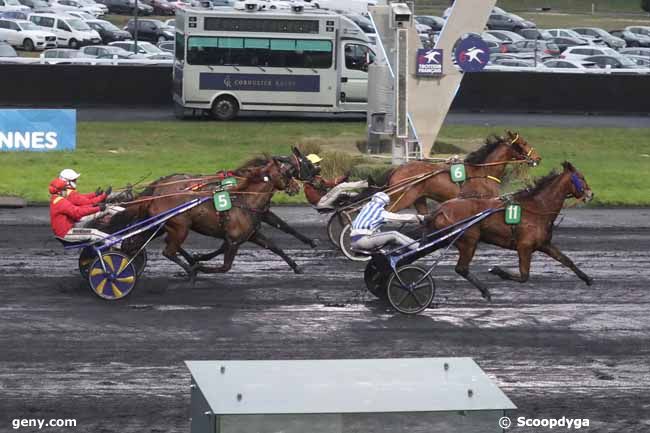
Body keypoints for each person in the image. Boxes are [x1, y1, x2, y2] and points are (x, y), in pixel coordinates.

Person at [49, 169, 120, 242]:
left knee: (94, 232)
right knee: (94, 233)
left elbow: (78, 207)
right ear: (60, 191)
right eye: (64, 189)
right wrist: (98, 207)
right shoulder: (61, 202)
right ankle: (119, 243)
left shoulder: (57, 199)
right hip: (66, 233)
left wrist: (95, 204)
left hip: (70, 227)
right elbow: (78, 212)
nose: (66, 191)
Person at [350, 192, 426, 252]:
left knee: (382, 234)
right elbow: (400, 217)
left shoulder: (365, 208)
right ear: (384, 204)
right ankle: (419, 247)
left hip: (353, 242)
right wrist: (421, 218)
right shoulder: (380, 212)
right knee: (394, 234)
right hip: (364, 241)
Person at [303, 154, 369, 210]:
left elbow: (328, 184)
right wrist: (331, 192)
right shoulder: (308, 182)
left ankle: (364, 196)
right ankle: (366, 184)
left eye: (318, 163)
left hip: (323, 200)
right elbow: (314, 199)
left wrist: (342, 178)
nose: (319, 165)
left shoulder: (315, 178)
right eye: (317, 164)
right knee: (341, 187)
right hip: (321, 203)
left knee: (349, 193)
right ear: (310, 165)